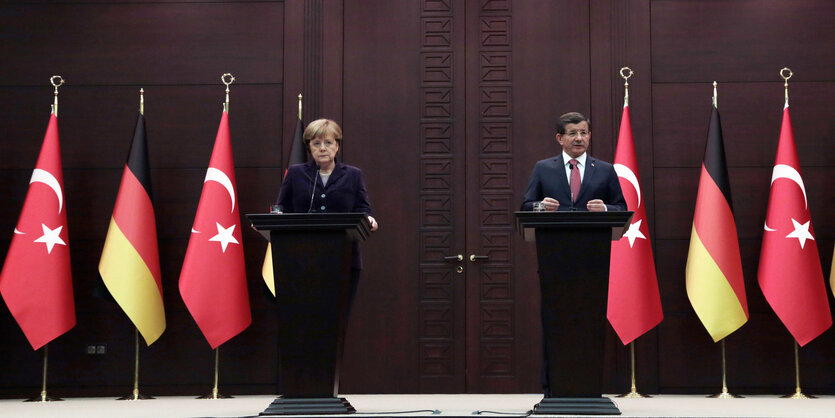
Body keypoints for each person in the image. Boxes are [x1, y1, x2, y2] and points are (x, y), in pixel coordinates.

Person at [275, 118, 377, 306]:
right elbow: (282, 207)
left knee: (336, 317)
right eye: (317, 143)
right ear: (309, 147)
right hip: (301, 258)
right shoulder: (296, 173)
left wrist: (369, 218)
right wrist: (275, 218)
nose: (323, 148)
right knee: (304, 316)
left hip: (344, 258)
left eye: (328, 142)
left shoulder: (353, 175)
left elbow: (363, 208)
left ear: (337, 146)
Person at [521, 112, 626, 212]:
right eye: (572, 133)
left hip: (594, 230)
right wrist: (541, 206)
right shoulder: (543, 168)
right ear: (560, 138)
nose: (579, 138)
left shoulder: (606, 170)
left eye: (583, 133)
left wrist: (605, 208)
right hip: (554, 230)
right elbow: (525, 207)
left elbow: (622, 207)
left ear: (589, 136)